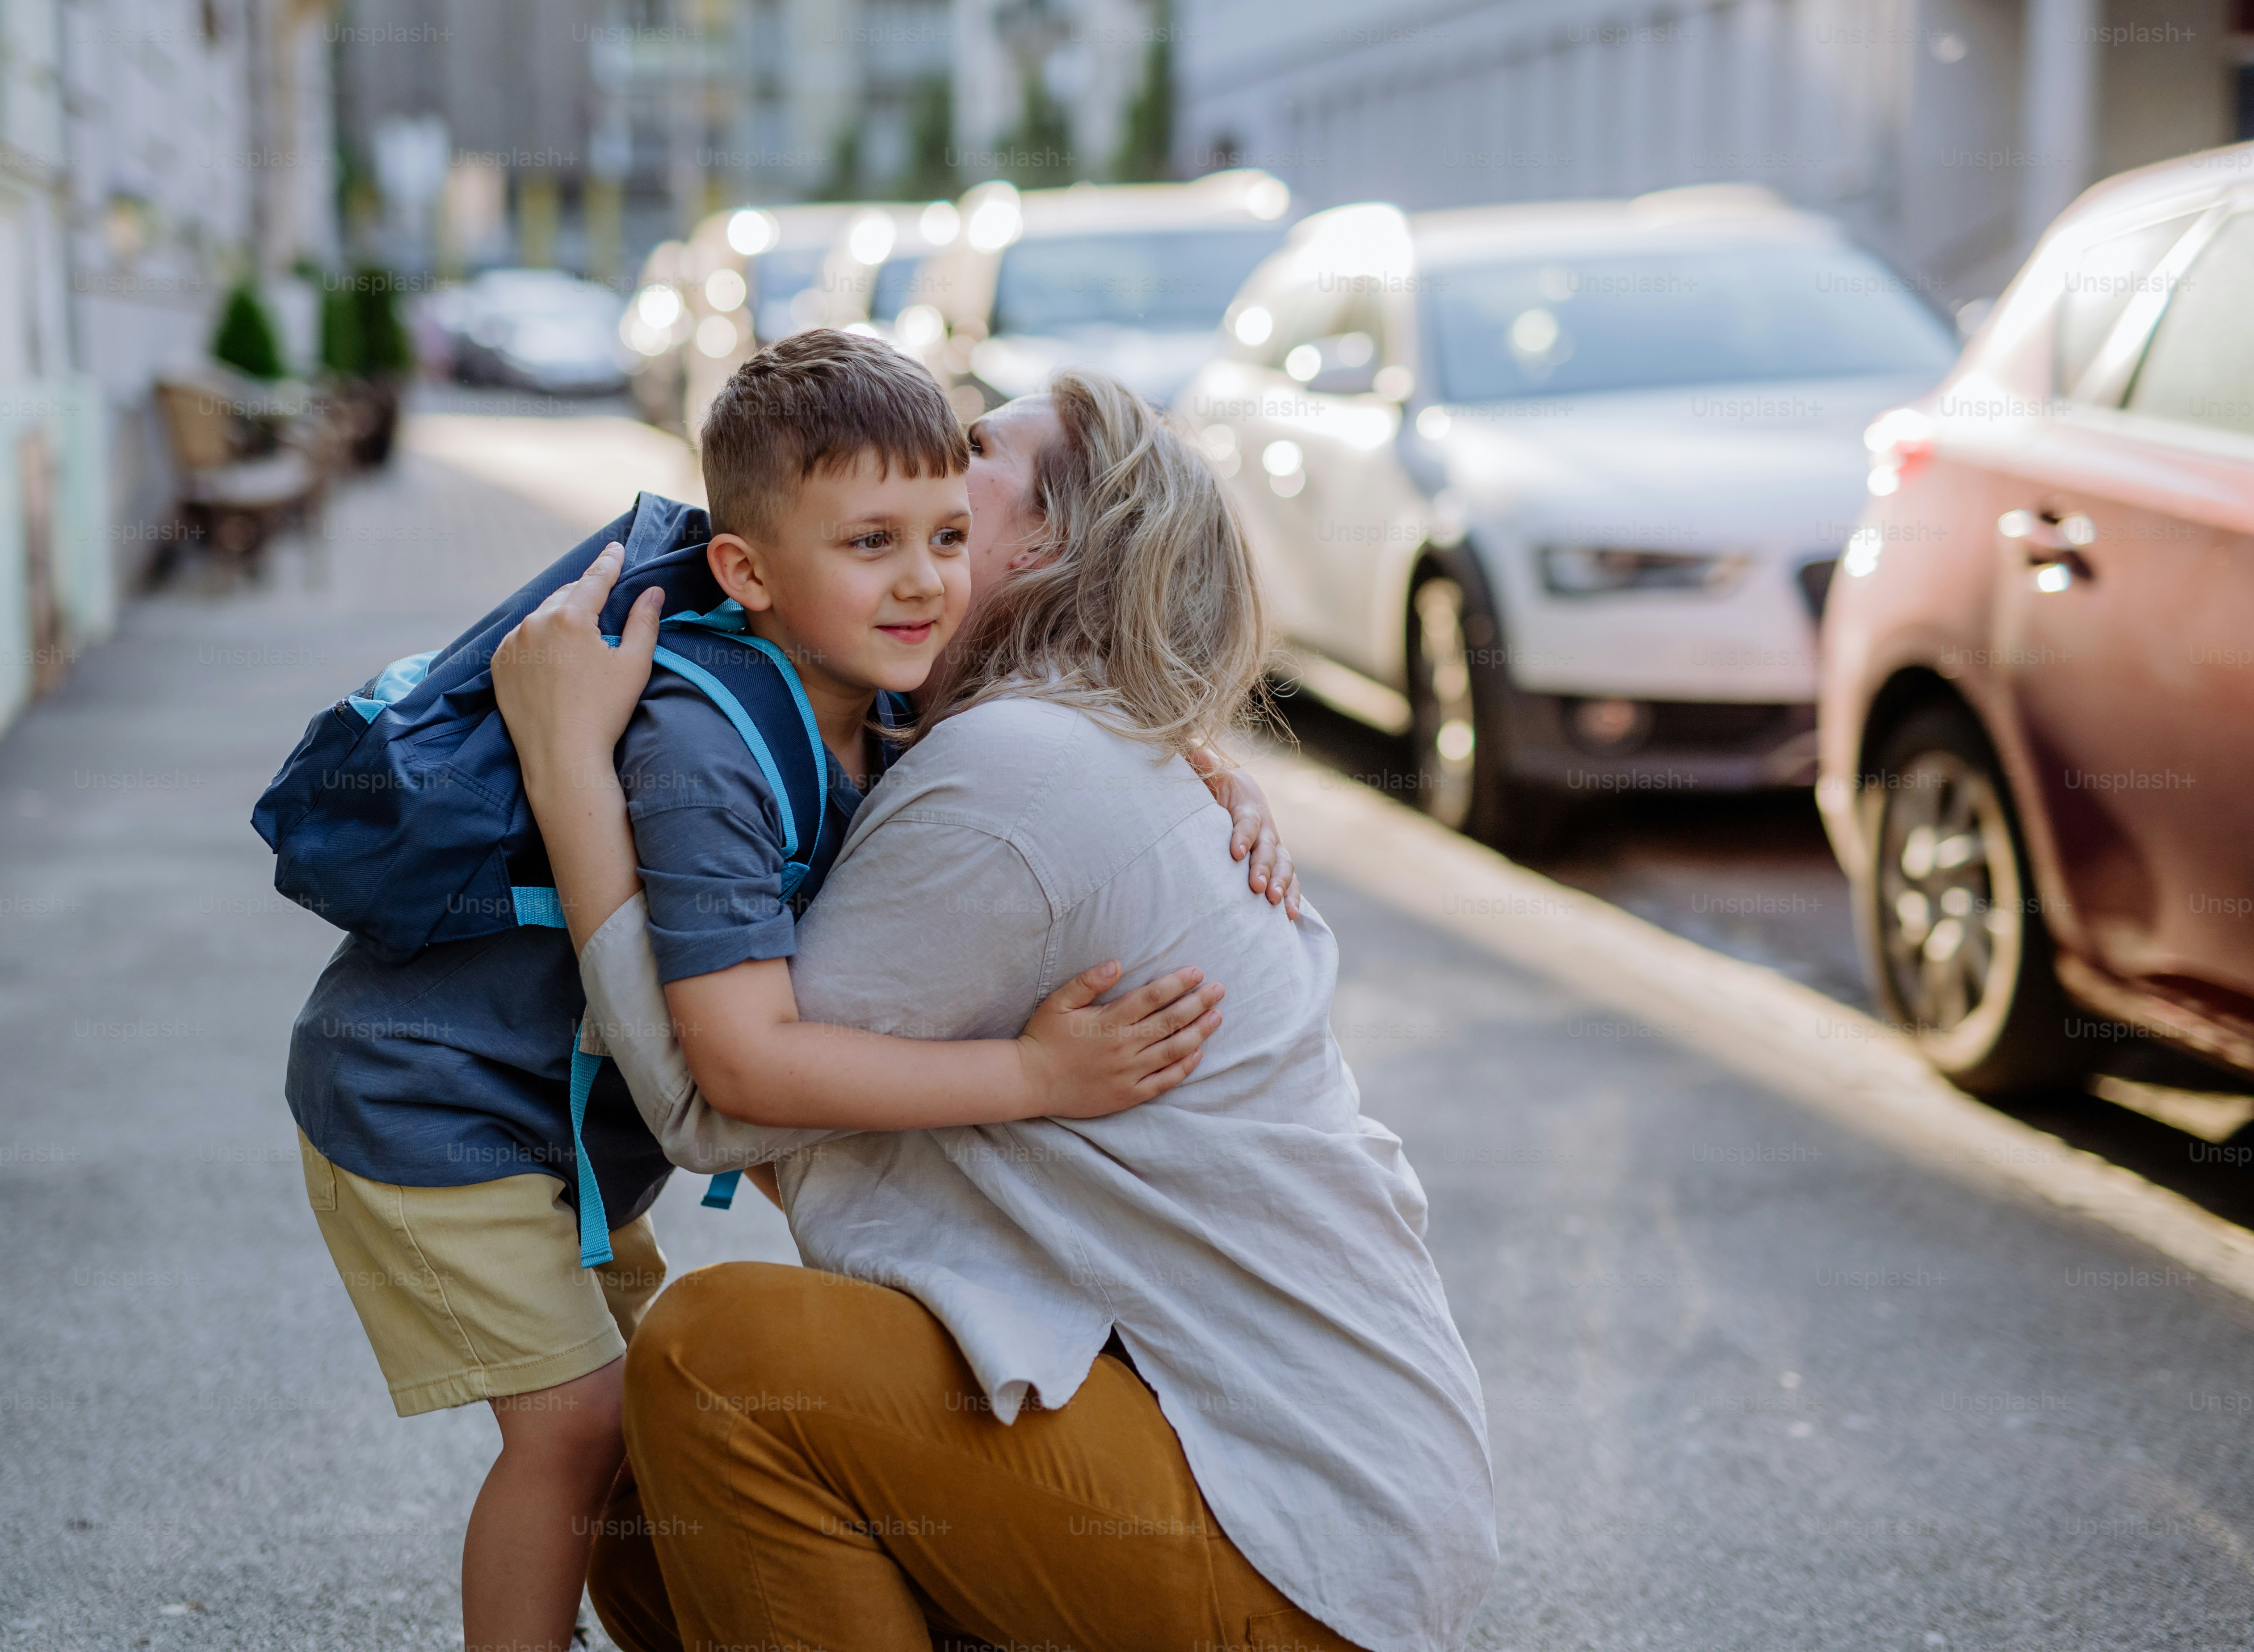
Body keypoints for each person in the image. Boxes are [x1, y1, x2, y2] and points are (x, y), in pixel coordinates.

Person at [293, 330, 1286, 1652]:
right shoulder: (707, 743)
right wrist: (1039, 1077)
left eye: (947, 529)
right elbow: (740, 1077)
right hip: (432, 1111)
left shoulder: (874, 694)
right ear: (750, 572)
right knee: (579, 1428)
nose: (926, 576)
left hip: (553, 1130)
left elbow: (1075, 703)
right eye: (873, 542)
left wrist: (1205, 760)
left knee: (644, 1437)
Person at [498, 369, 1498, 1652]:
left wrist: (565, 761)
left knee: (716, 1360)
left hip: (1287, 1537)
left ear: (1051, 550)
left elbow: (710, 1096)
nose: (918, 466)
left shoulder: (1017, 777)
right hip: (1296, 1504)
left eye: (973, 454)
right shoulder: (1061, 754)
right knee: (656, 1543)